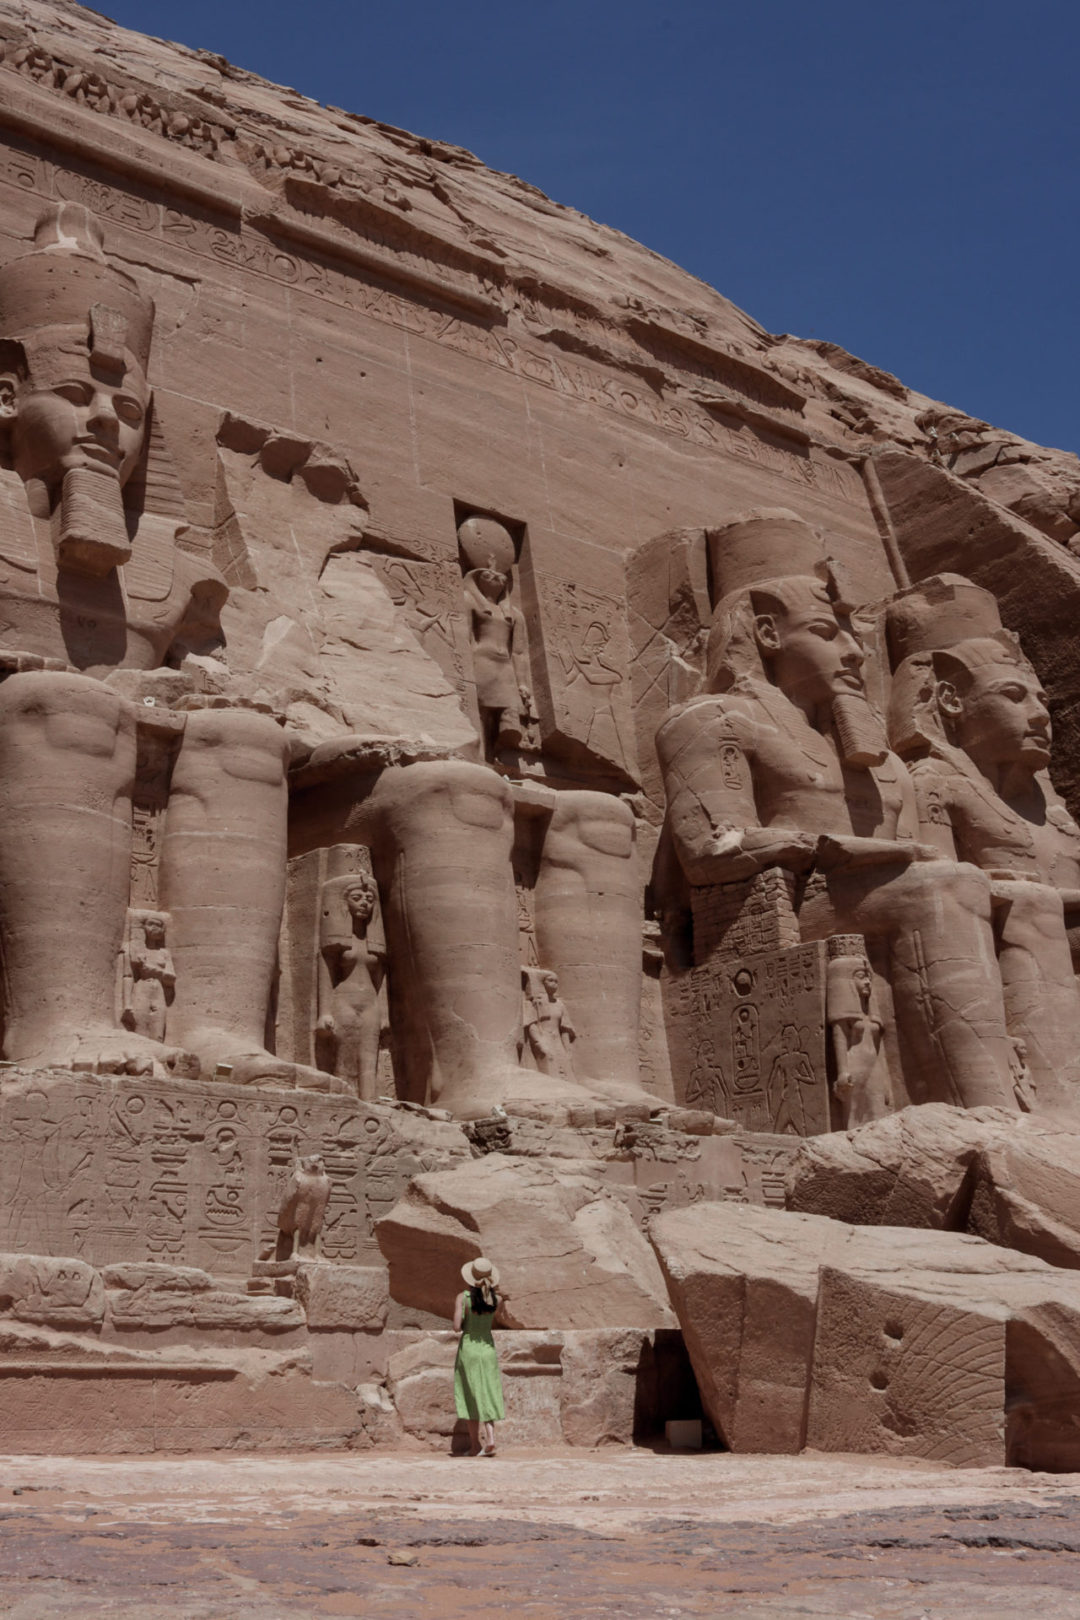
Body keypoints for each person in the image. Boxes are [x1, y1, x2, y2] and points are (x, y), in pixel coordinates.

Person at [453, 1256, 504, 1457]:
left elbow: (457, 1327)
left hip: (469, 1349)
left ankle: (475, 1446)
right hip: (488, 1349)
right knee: (489, 1391)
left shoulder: (462, 1298)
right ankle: (490, 1437)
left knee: (470, 1395)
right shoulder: (497, 1299)